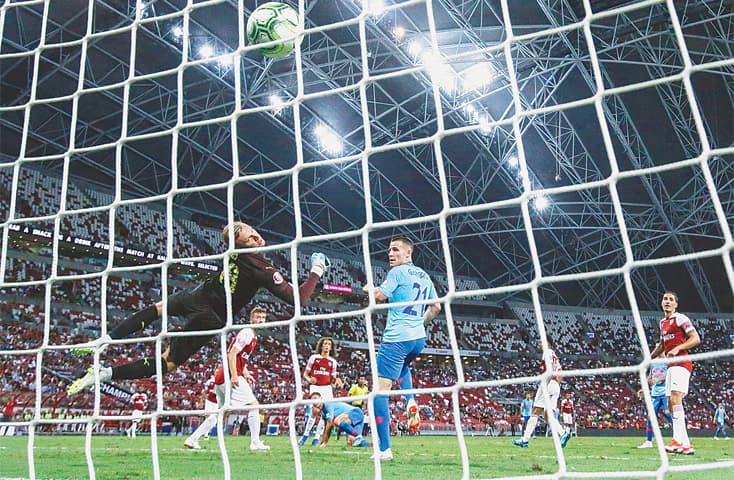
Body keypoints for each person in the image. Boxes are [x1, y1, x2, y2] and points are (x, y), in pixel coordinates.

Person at [67, 222, 330, 396]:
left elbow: (235, 240)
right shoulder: (261, 268)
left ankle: (106, 341)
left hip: (201, 294)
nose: (255, 235)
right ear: (240, 245)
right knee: (168, 363)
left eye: (252, 231)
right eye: (248, 237)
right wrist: (316, 272)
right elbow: (300, 299)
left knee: (159, 308)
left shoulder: (236, 254)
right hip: (213, 314)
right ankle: (104, 371)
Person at [363, 237, 441, 461]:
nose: (391, 253)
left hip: (396, 339)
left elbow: (379, 296)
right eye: (389, 250)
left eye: (396, 250)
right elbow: (436, 307)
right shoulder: (425, 276)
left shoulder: (397, 272)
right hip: (418, 339)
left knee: (378, 392)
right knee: (403, 366)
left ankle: (384, 450)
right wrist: (420, 323)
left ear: (408, 254)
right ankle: (410, 400)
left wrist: (370, 288)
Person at [188, 306, 270, 451]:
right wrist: (234, 375)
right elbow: (232, 354)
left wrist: (246, 373)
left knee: (222, 412)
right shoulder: (247, 333)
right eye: (258, 317)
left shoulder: (252, 336)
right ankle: (255, 442)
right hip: (228, 376)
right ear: (251, 319)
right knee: (254, 405)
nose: (261, 321)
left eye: (263, 318)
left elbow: (239, 357)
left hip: (222, 376)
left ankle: (192, 439)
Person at [650, 291, 700, 455]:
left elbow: (695, 338)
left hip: (682, 363)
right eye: (665, 299)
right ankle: (685, 444)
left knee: (675, 398)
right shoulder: (662, 322)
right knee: (671, 403)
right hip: (671, 365)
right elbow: (663, 345)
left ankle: (677, 440)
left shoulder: (681, 318)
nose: (667, 301)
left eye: (671, 299)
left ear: (676, 304)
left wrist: (678, 348)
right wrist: (649, 357)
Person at [512, 339, 570, 449]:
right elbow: (560, 373)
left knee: (535, 412)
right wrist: (556, 383)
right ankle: (563, 433)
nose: (539, 344)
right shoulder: (554, 355)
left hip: (547, 383)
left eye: (541, 342)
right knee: (549, 416)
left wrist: (546, 383)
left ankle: (524, 440)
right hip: (556, 385)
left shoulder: (547, 353)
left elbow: (548, 370)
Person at [298, 336, 343, 446]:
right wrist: (309, 379)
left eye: (329, 344)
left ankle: (317, 437)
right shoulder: (314, 358)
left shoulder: (333, 361)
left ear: (331, 347)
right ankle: (305, 436)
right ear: (321, 346)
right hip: (315, 387)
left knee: (326, 414)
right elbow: (305, 373)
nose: (327, 346)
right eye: (325, 344)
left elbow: (333, 377)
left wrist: (338, 381)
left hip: (327, 388)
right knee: (315, 411)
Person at [636, 363, 673, 448]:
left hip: (665, 394)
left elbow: (669, 377)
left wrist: (657, 380)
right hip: (655, 394)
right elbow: (650, 377)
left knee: (668, 414)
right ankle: (649, 441)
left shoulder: (668, 363)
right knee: (650, 416)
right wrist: (643, 388)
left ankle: (680, 438)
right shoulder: (654, 364)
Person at [183, 376, 218, 449]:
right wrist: (202, 401)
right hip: (212, 401)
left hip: (218, 401)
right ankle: (194, 439)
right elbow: (205, 392)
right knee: (211, 419)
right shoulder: (211, 381)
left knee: (212, 420)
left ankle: (194, 439)